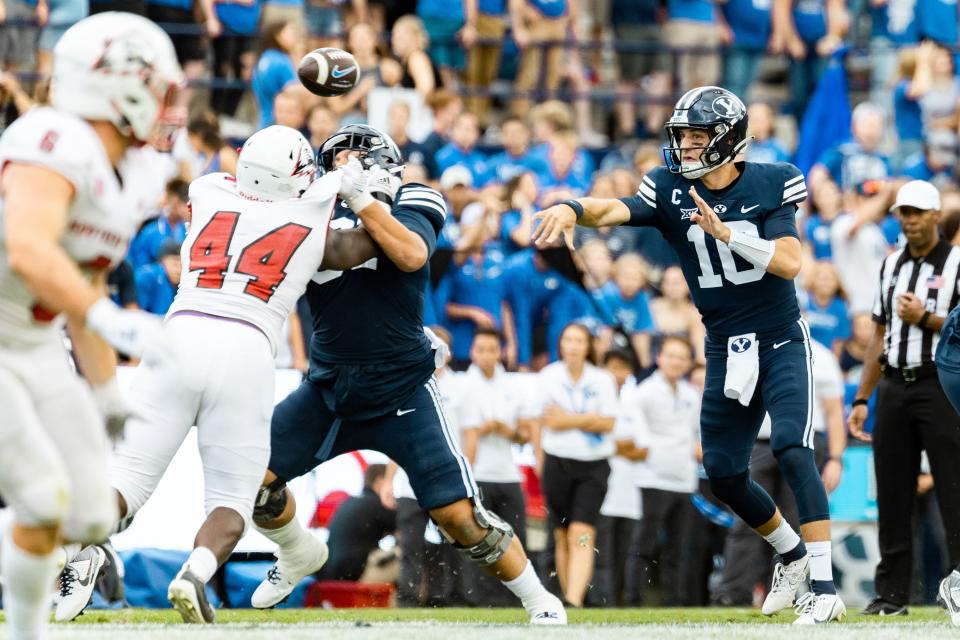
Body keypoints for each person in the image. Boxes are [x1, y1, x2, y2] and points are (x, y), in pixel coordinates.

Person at [533, 86, 844, 623]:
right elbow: (619, 208)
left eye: (699, 136)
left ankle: (823, 585)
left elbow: (791, 262)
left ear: (727, 138)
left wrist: (729, 234)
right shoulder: (668, 185)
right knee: (723, 472)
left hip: (779, 337)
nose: (688, 147)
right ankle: (791, 555)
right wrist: (572, 206)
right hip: (725, 345)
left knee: (794, 446)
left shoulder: (773, 179)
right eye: (683, 136)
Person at [56, 125, 385, 623]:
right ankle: (196, 570)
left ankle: (74, 551)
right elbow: (364, 245)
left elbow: (261, 192)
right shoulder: (314, 212)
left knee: (125, 482)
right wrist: (361, 188)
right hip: (248, 348)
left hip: (179, 334)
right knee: (233, 500)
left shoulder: (208, 191)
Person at [248, 124, 567, 624]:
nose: (345, 169)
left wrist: (361, 199)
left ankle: (537, 598)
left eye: (356, 160)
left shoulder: (415, 195)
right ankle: (295, 552)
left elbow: (411, 253)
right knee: (250, 482)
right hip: (329, 387)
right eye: (337, 163)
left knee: (458, 517)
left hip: (402, 388)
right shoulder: (308, 209)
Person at [0, 13, 184, 640]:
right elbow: (27, 248)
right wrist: (107, 317)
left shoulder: (131, 172)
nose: (165, 104)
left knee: (86, 514)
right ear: (121, 84)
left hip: (34, 343)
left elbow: (89, 283)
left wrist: (107, 391)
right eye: (158, 87)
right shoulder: (53, 136)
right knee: (41, 495)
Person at [848, 179, 960, 618]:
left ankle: (959, 582)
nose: (910, 221)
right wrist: (862, 397)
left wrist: (926, 317)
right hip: (894, 384)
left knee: (953, 487)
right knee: (893, 492)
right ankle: (892, 594)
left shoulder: (957, 262)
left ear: (936, 216)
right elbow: (879, 333)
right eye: (904, 213)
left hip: (940, 384)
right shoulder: (890, 263)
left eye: (918, 213)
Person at [716, 338, 846, 606]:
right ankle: (734, 592)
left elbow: (834, 413)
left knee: (797, 521)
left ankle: (785, 591)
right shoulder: (750, 347)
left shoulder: (820, 355)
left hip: (805, 441)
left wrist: (836, 458)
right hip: (757, 440)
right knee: (748, 517)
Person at [533, 322, 618, 607]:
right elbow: (542, 421)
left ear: (588, 346)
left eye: (579, 340)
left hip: (593, 465)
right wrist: (586, 419)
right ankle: (569, 598)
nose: (573, 346)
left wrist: (566, 419)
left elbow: (607, 422)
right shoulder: (548, 376)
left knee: (582, 532)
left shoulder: (602, 379)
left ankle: (575, 597)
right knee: (561, 533)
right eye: (568, 340)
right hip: (557, 461)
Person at [617, 336, 699, 606]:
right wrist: (651, 453)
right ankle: (633, 598)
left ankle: (674, 599)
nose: (676, 361)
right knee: (644, 543)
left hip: (684, 480)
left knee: (679, 547)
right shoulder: (644, 392)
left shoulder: (690, 395)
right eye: (671, 355)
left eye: (682, 357)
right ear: (659, 358)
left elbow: (695, 434)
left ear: (688, 363)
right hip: (652, 478)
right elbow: (634, 436)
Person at [456, 328, 530, 606]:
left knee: (512, 538)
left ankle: (512, 597)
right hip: (477, 474)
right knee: (477, 540)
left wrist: (505, 430)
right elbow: (463, 434)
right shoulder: (463, 385)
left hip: (508, 473)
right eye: (481, 349)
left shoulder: (512, 385)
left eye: (492, 349)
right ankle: (477, 598)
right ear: (472, 352)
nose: (486, 355)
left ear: (501, 352)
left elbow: (524, 433)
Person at [320, 464, 397, 582]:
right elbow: (406, 532)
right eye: (391, 481)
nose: (393, 488)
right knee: (408, 559)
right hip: (353, 574)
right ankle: (409, 600)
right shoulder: (378, 503)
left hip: (329, 573)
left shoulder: (349, 502)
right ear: (380, 481)